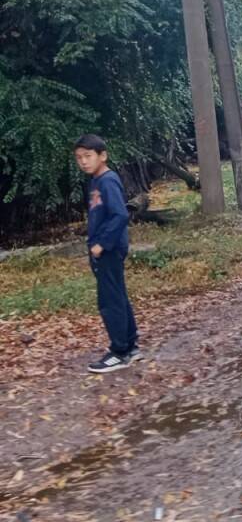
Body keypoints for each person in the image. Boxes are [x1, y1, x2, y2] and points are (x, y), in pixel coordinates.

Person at [73, 134, 140, 373]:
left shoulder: (107, 180)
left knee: (109, 300)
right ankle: (130, 345)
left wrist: (102, 244)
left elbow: (120, 215)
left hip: (108, 249)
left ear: (103, 155)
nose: (83, 162)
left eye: (88, 156)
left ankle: (119, 351)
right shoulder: (96, 180)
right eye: (79, 158)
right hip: (105, 248)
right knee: (117, 294)